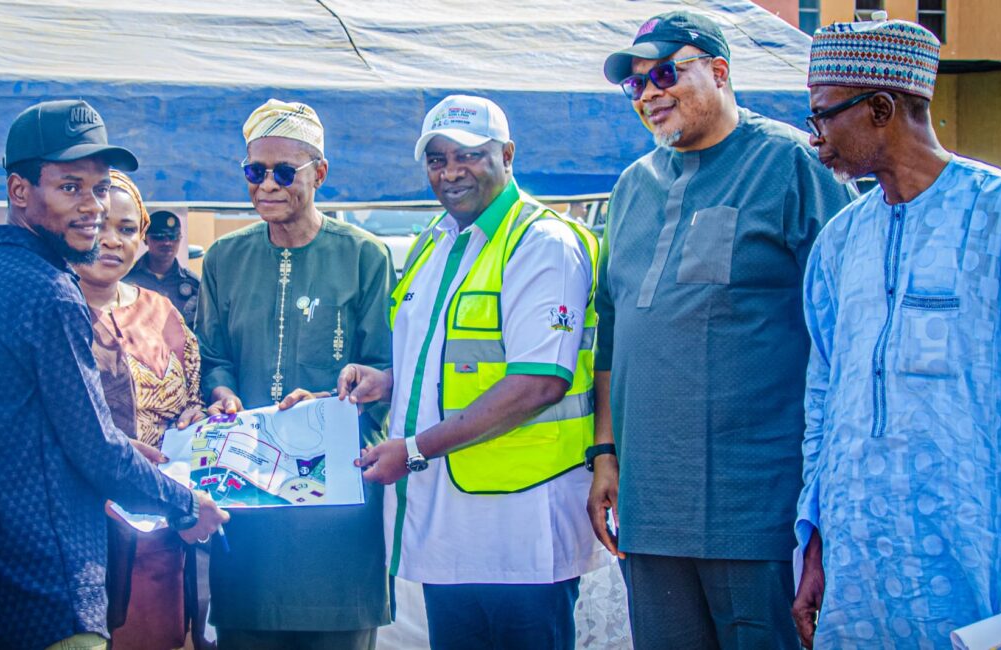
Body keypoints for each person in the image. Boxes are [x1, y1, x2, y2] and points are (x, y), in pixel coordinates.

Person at [793, 20, 1001, 649]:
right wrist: (815, 547)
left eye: (823, 116)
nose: (816, 137)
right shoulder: (839, 241)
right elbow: (823, 405)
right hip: (858, 569)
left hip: (977, 555)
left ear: (881, 108)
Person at [589, 11, 855, 648]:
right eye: (635, 84)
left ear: (719, 71)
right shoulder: (632, 186)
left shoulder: (792, 165)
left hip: (756, 505)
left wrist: (830, 493)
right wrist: (605, 453)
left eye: (665, 73)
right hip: (650, 505)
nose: (649, 93)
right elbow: (613, 331)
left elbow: (848, 328)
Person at [0, 99, 228, 650]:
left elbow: (31, 432)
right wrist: (187, 506)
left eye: (99, 188)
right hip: (50, 596)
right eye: (70, 187)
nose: (92, 207)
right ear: (19, 191)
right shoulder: (50, 292)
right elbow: (98, 452)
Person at [347, 95, 603, 650]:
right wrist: (387, 381)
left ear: (506, 155)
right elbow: (448, 357)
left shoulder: (542, 243)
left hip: (522, 527)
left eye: (468, 155)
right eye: (437, 159)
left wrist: (413, 450)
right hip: (450, 532)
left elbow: (539, 384)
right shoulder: (437, 240)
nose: (451, 171)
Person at [195, 99, 394, 649]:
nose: (267, 185)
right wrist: (222, 391)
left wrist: (333, 398)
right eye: (254, 172)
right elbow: (212, 355)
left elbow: (386, 366)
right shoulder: (224, 257)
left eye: (284, 172)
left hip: (337, 504)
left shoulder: (365, 256)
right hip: (246, 493)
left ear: (319, 173)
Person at [77, 169, 207, 650]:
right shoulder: (53, 306)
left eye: (127, 229)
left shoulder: (160, 310)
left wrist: (197, 416)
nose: (112, 240)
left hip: (161, 525)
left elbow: (192, 394)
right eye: (99, 225)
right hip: (83, 530)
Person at [126, 209, 200, 326]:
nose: (167, 243)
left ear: (180, 239)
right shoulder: (126, 282)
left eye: (173, 237)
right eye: (159, 237)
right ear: (145, 239)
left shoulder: (194, 284)